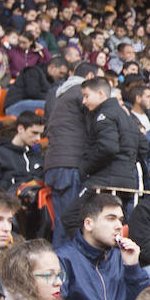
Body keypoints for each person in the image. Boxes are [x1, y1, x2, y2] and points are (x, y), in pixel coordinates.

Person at [56, 193, 149, 300]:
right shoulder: (63, 258)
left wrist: (133, 267)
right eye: (111, 219)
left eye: (120, 220)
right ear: (88, 224)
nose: (119, 226)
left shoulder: (121, 257)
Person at [42, 62, 88, 242]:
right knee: (68, 225)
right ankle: (62, 268)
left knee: (63, 222)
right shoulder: (80, 93)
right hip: (69, 166)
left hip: (57, 163)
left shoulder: (63, 95)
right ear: (90, 78)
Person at [81, 76, 145, 191]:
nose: (83, 101)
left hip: (106, 180)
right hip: (128, 181)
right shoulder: (126, 115)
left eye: (86, 96)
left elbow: (108, 147)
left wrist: (86, 168)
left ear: (100, 94)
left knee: (76, 209)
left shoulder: (105, 114)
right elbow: (144, 145)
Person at [0, 110, 44, 191]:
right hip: (6, 201)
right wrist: (15, 185)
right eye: (34, 133)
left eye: (40, 134)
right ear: (20, 129)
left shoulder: (37, 156)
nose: (38, 138)